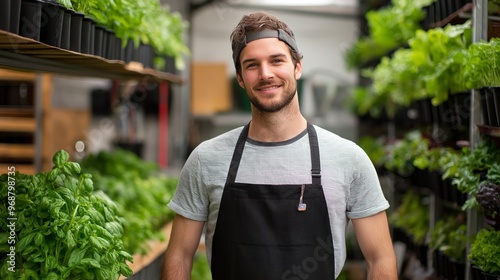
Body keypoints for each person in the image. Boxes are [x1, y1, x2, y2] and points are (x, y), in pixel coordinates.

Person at [162, 11, 397, 280]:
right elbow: (180, 254)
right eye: (252, 65)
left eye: (277, 61)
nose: (266, 74)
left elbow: (380, 259)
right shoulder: (206, 159)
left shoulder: (348, 158)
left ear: (297, 67)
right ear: (240, 77)